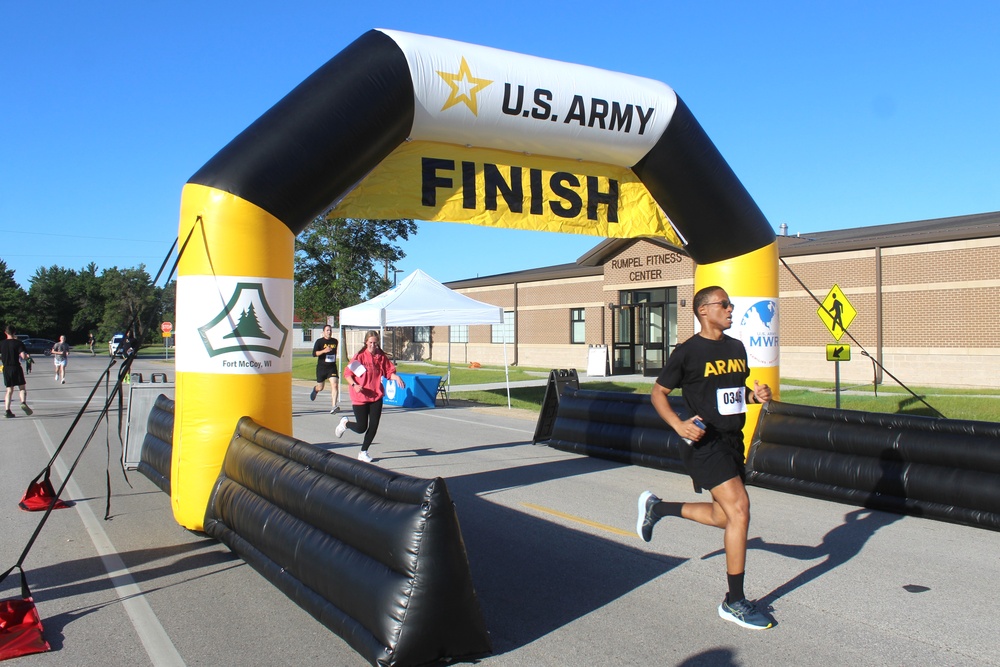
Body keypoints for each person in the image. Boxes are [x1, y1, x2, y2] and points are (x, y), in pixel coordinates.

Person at [636, 285, 774, 630]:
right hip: (702, 441)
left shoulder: (736, 347)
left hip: (731, 440)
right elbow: (658, 393)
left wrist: (754, 395)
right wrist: (678, 425)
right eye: (724, 304)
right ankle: (734, 601)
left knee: (724, 517)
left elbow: (730, 394)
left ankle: (658, 508)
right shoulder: (687, 352)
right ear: (703, 310)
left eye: (730, 304)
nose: (730, 309)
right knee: (740, 509)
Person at [336, 330, 405, 463]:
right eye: (370, 343)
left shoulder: (380, 356)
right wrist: (355, 385)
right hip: (360, 396)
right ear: (366, 343)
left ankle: (363, 452)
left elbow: (388, 372)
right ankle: (345, 423)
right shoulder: (360, 357)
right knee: (362, 427)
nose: (373, 345)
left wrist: (395, 377)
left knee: (373, 425)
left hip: (376, 395)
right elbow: (347, 374)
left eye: (375, 343)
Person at [1, 325, 33, 417]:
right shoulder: (18, 343)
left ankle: (7, 411)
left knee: (9, 390)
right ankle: (23, 402)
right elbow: (23, 356)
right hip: (16, 367)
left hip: (6, 368)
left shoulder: (2, 343)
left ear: (5, 332)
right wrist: (28, 357)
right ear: (14, 332)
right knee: (22, 387)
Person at [309, 324, 341, 414]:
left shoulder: (335, 341)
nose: (329, 332)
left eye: (330, 330)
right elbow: (314, 354)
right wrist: (324, 351)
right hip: (321, 368)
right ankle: (315, 389)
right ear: (323, 332)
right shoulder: (319, 342)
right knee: (320, 387)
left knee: (334, 385)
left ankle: (333, 406)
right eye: (327, 330)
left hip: (332, 367)